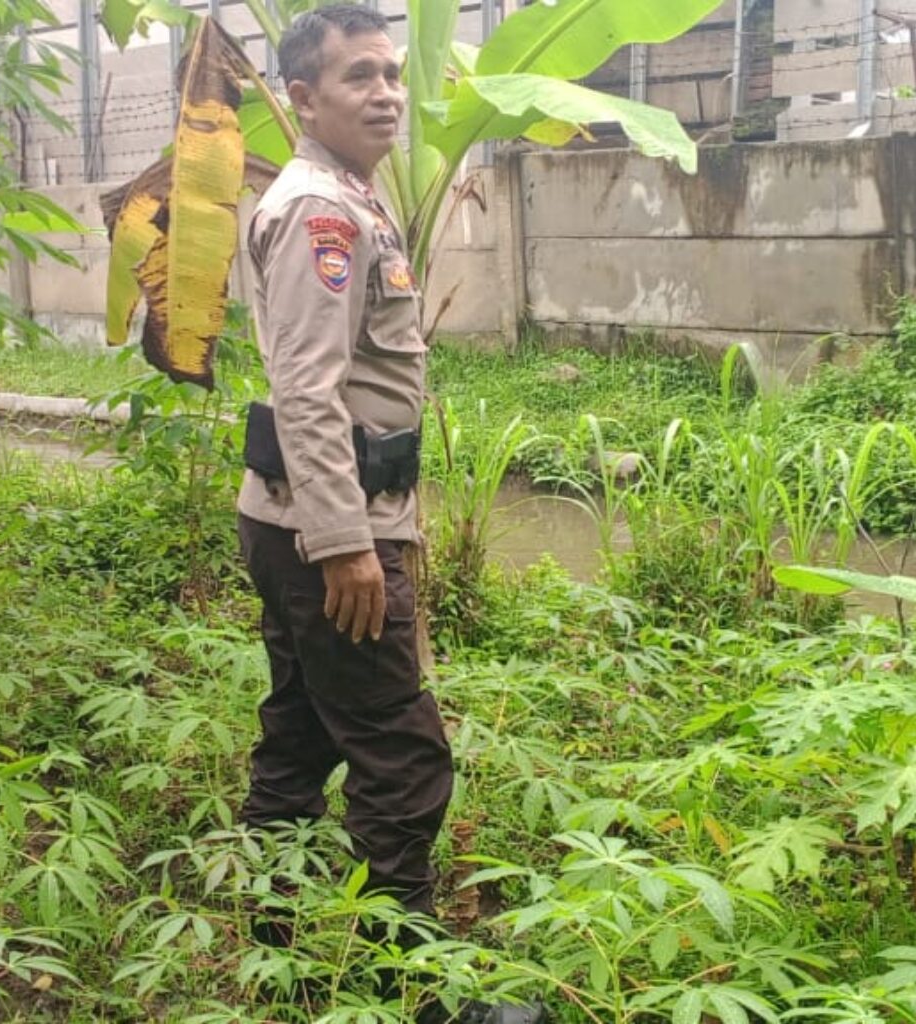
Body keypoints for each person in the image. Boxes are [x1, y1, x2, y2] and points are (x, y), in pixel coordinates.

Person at [237, 7, 545, 1024]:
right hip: (329, 529)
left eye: (389, 72)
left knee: (297, 735)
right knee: (399, 753)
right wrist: (347, 545)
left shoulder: (348, 200)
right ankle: (404, 987)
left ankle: (274, 944)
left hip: (291, 517)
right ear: (302, 100)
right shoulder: (323, 214)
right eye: (356, 76)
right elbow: (309, 388)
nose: (384, 91)